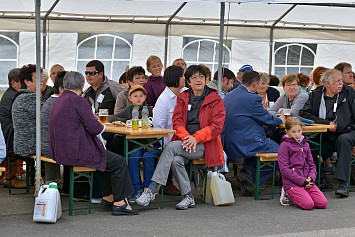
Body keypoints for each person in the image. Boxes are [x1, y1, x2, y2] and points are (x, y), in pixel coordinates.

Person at [136, 65, 226, 210]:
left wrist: (195, 138)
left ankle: (151, 189)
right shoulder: (183, 97)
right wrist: (186, 137)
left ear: (206, 80)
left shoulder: (216, 99)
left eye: (201, 77)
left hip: (206, 145)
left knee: (171, 147)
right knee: (176, 161)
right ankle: (188, 196)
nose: (198, 80)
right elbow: (177, 122)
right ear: (188, 82)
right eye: (194, 77)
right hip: (185, 142)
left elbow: (217, 127)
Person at [49, 71, 138, 215]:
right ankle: (120, 203)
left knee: (106, 160)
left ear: (64, 85)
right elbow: (94, 128)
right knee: (119, 162)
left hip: (61, 150)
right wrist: (104, 126)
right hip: (76, 151)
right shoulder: (79, 101)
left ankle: (108, 197)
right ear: (82, 85)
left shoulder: (58, 100)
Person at [222, 70, 284, 195]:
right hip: (244, 143)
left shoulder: (229, 94)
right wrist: (281, 120)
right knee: (282, 153)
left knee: (263, 147)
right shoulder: (252, 98)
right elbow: (267, 118)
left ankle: (246, 174)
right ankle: (252, 180)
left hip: (227, 142)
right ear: (255, 84)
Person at [299, 69, 355, 197]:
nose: (341, 83)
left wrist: (343, 127)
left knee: (344, 140)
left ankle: (343, 183)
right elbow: (304, 114)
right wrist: (325, 124)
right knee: (306, 145)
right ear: (327, 84)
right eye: (338, 81)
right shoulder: (317, 93)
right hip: (325, 134)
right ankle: (322, 178)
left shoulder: (349, 92)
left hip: (348, 131)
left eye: (341, 80)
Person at [109, 85, 158, 203]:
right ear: (130, 98)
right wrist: (126, 121)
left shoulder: (150, 110)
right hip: (136, 144)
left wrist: (150, 142)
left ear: (145, 97)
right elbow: (113, 118)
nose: (138, 98)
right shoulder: (129, 110)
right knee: (133, 158)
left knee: (148, 157)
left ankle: (148, 189)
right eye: (135, 96)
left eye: (141, 96)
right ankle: (136, 190)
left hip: (151, 143)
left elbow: (156, 127)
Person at [278, 117, 328, 210]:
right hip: (293, 183)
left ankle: (304, 193)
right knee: (308, 205)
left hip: (307, 181)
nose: (297, 134)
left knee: (323, 203)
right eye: (293, 132)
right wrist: (302, 181)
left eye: (299, 131)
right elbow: (284, 169)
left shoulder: (306, 144)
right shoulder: (284, 146)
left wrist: (311, 178)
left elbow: (312, 164)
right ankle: (288, 193)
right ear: (287, 131)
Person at [153, 65, 187, 196]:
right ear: (175, 78)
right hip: (167, 141)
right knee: (174, 157)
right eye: (182, 76)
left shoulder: (185, 92)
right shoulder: (163, 100)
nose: (185, 78)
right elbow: (158, 128)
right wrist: (167, 146)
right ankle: (176, 188)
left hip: (183, 138)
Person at [0, 68, 26, 188]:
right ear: (13, 83)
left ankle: (7, 175)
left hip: (6, 131)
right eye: (22, 82)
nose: (24, 84)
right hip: (9, 133)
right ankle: (11, 177)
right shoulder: (14, 95)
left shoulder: (9, 93)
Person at [12, 64, 45, 157]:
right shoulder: (29, 98)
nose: (42, 80)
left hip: (23, 146)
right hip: (31, 147)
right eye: (38, 78)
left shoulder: (22, 96)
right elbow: (48, 116)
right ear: (27, 82)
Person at [41, 71, 66, 184]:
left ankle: (54, 182)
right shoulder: (61, 103)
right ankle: (85, 191)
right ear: (61, 89)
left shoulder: (49, 101)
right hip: (53, 148)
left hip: (46, 145)